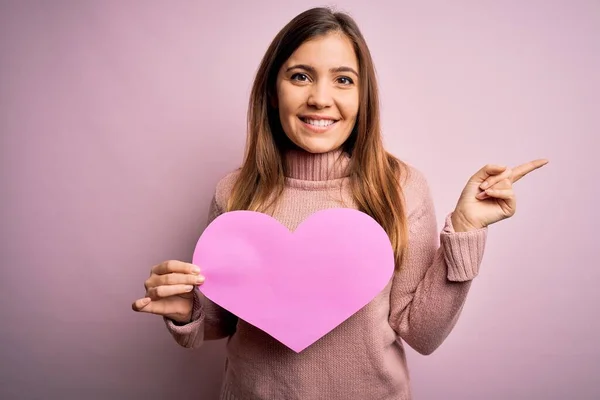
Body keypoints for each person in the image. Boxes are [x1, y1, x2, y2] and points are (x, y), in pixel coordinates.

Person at [132, 7, 548, 400]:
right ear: (273, 92)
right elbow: (221, 322)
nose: (320, 98)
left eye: (343, 80)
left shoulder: (400, 188)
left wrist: (467, 229)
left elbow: (422, 334)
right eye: (300, 76)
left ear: (363, 97)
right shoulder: (234, 192)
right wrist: (187, 312)